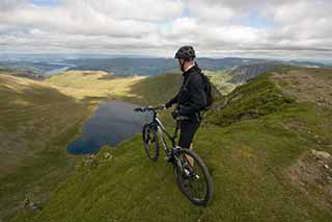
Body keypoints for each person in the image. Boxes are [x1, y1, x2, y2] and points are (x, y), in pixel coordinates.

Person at [165, 45, 207, 150]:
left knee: (183, 147)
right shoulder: (190, 75)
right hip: (188, 117)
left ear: (183, 60)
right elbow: (183, 93)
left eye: (179, 60)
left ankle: (186, 167)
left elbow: (201, 103)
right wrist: (170, 103)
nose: (178, 62)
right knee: (187, 143)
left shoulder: (194, 78)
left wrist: (181, 111)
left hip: (191, 119)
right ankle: (186, 164)